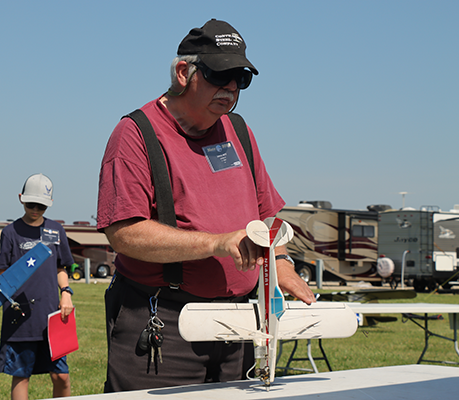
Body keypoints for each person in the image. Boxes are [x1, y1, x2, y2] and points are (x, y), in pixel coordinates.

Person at [96, 19, 316, 392]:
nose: (231, 88)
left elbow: (266, 215)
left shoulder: (240, 130)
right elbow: (124, 234)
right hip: (166, 324)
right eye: (220, 74)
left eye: (241, 79)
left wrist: (279, 263)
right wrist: (216, 243)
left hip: (244, 324)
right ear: (184, 72)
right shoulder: (135, 133)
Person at [0, 173, 75, 399]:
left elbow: (62, 267)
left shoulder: (56, 231)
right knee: (21, 375)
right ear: (20, 198)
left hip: (52, 315)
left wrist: (66, 293)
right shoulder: (10, 233)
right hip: (20, 317)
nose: (36, 209)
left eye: (41, 205)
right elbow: (2, 272)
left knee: (61, 375)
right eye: (31, 204)